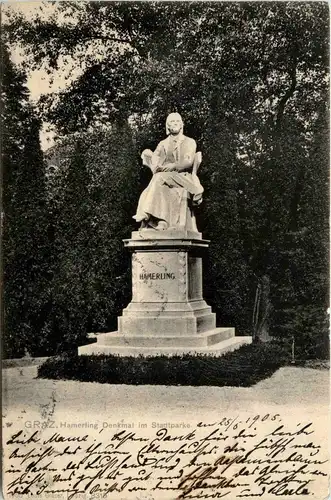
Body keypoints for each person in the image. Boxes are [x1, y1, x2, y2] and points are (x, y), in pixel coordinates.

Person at [133, 113, 203, 230]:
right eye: (171, 122)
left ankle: (146, 213)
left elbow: (188, 161)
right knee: (158, 181)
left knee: (158, 179)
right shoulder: (163, 143)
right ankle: (162, 222)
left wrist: (172, 166)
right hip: (165, 177)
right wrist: (154, 161)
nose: (174, 124)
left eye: (177, 121)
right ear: (167, 126)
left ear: (181, 125)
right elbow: (155, 158)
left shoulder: (190, 142)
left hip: (183, 177)